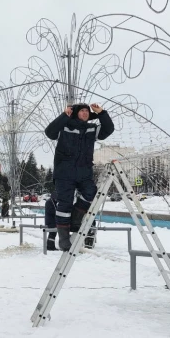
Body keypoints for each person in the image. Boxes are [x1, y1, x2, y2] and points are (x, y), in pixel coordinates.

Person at [45, 103, 114, 251]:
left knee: (91, 192)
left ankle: (76, 219)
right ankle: (63, 239)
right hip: (64, 172)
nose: (85, 113)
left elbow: (108, 129)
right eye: (82, 111)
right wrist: (64, 116)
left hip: (84, 172)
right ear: (76, 113)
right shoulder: (65, 127)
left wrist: (101, 113)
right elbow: (49, 132)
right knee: (64, 203)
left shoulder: (91, 129)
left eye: (87, 111)